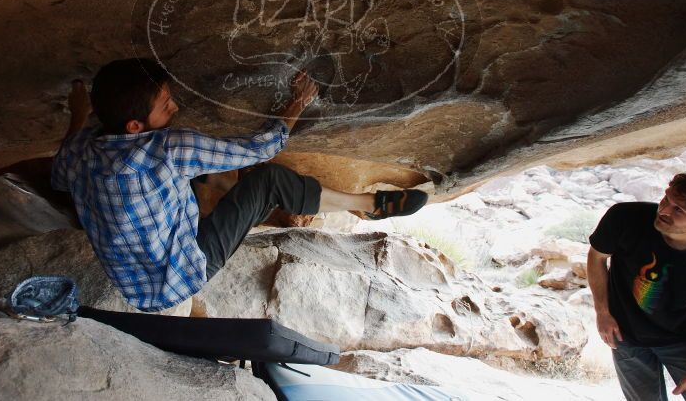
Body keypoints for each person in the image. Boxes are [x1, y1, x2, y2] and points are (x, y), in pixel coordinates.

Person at [51, 57, 428, 312]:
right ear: (135, 127)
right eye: (165, 104)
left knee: (210, 178)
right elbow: (262, 148)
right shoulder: (168, 149)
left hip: (133, 284)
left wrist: (80, 116)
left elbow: (60, 173)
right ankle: (364, 203)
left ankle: (324, 202)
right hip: (181, 276)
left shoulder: (82, 152)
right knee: (267, 180)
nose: (176, 107)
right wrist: (298, 102)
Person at [587, 172, 686, 400]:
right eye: (666, 199)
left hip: (684, 338)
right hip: (626, 336)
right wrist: (602, 312)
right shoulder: (624, 217)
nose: (663, 211)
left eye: (678, 210)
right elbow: (597, 256)